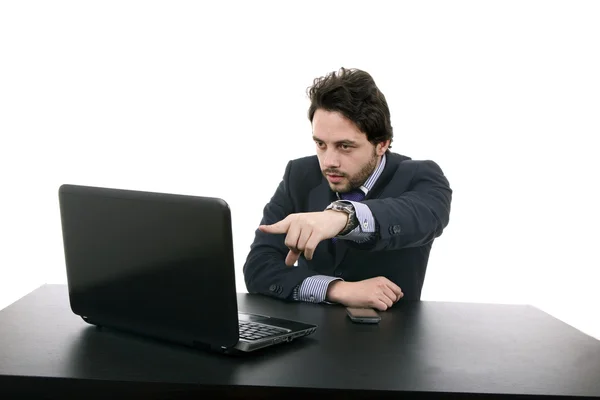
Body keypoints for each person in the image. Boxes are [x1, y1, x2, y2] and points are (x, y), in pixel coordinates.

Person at [242, 67, 452, 311]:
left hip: (390, 339)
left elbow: (422, 216)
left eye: (344, 146)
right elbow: (258, 269)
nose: (329, 161)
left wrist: (342, 217)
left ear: (381, 144)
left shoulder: (420, 176)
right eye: (320, 144)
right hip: (308, 337)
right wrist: (336, 289)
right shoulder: (299, 175)